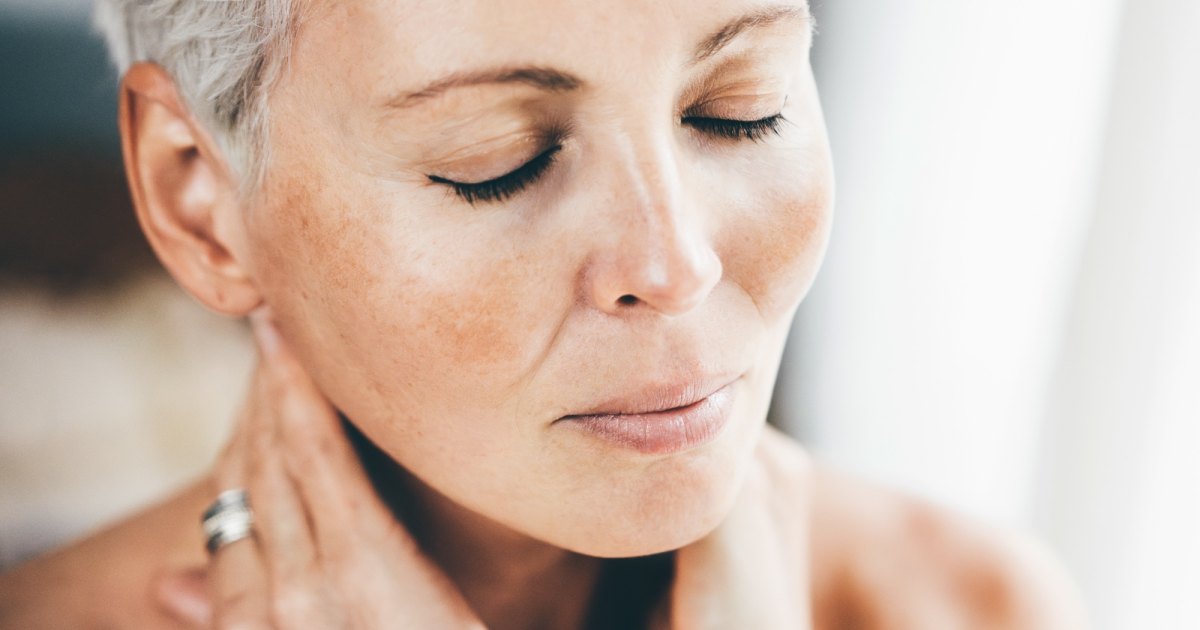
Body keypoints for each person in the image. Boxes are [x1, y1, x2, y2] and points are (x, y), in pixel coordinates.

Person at [0, 0, 1088, 627]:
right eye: (499, 163)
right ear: (200, 200)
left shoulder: (968, 605)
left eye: (740, 107)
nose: (678, 264)